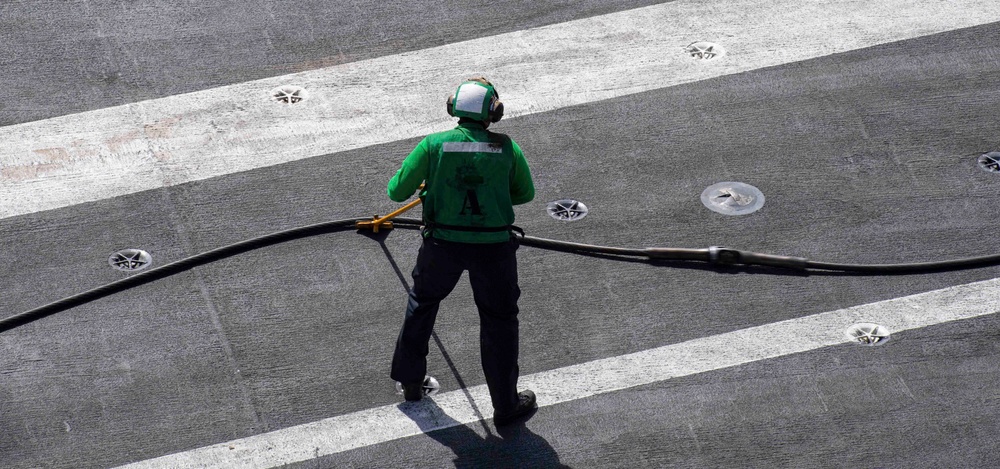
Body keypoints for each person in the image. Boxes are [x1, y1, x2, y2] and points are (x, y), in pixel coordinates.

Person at [387, 77, 537, 426]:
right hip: (494, 251)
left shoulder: (433, 145)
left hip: (442, 248)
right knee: (499, 322)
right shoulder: (507, 148)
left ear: (453, 108)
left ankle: (410, 382)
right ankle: (505, 405)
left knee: (422, 304)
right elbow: (524, 193)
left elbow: (396, 192)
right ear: (493, 113)